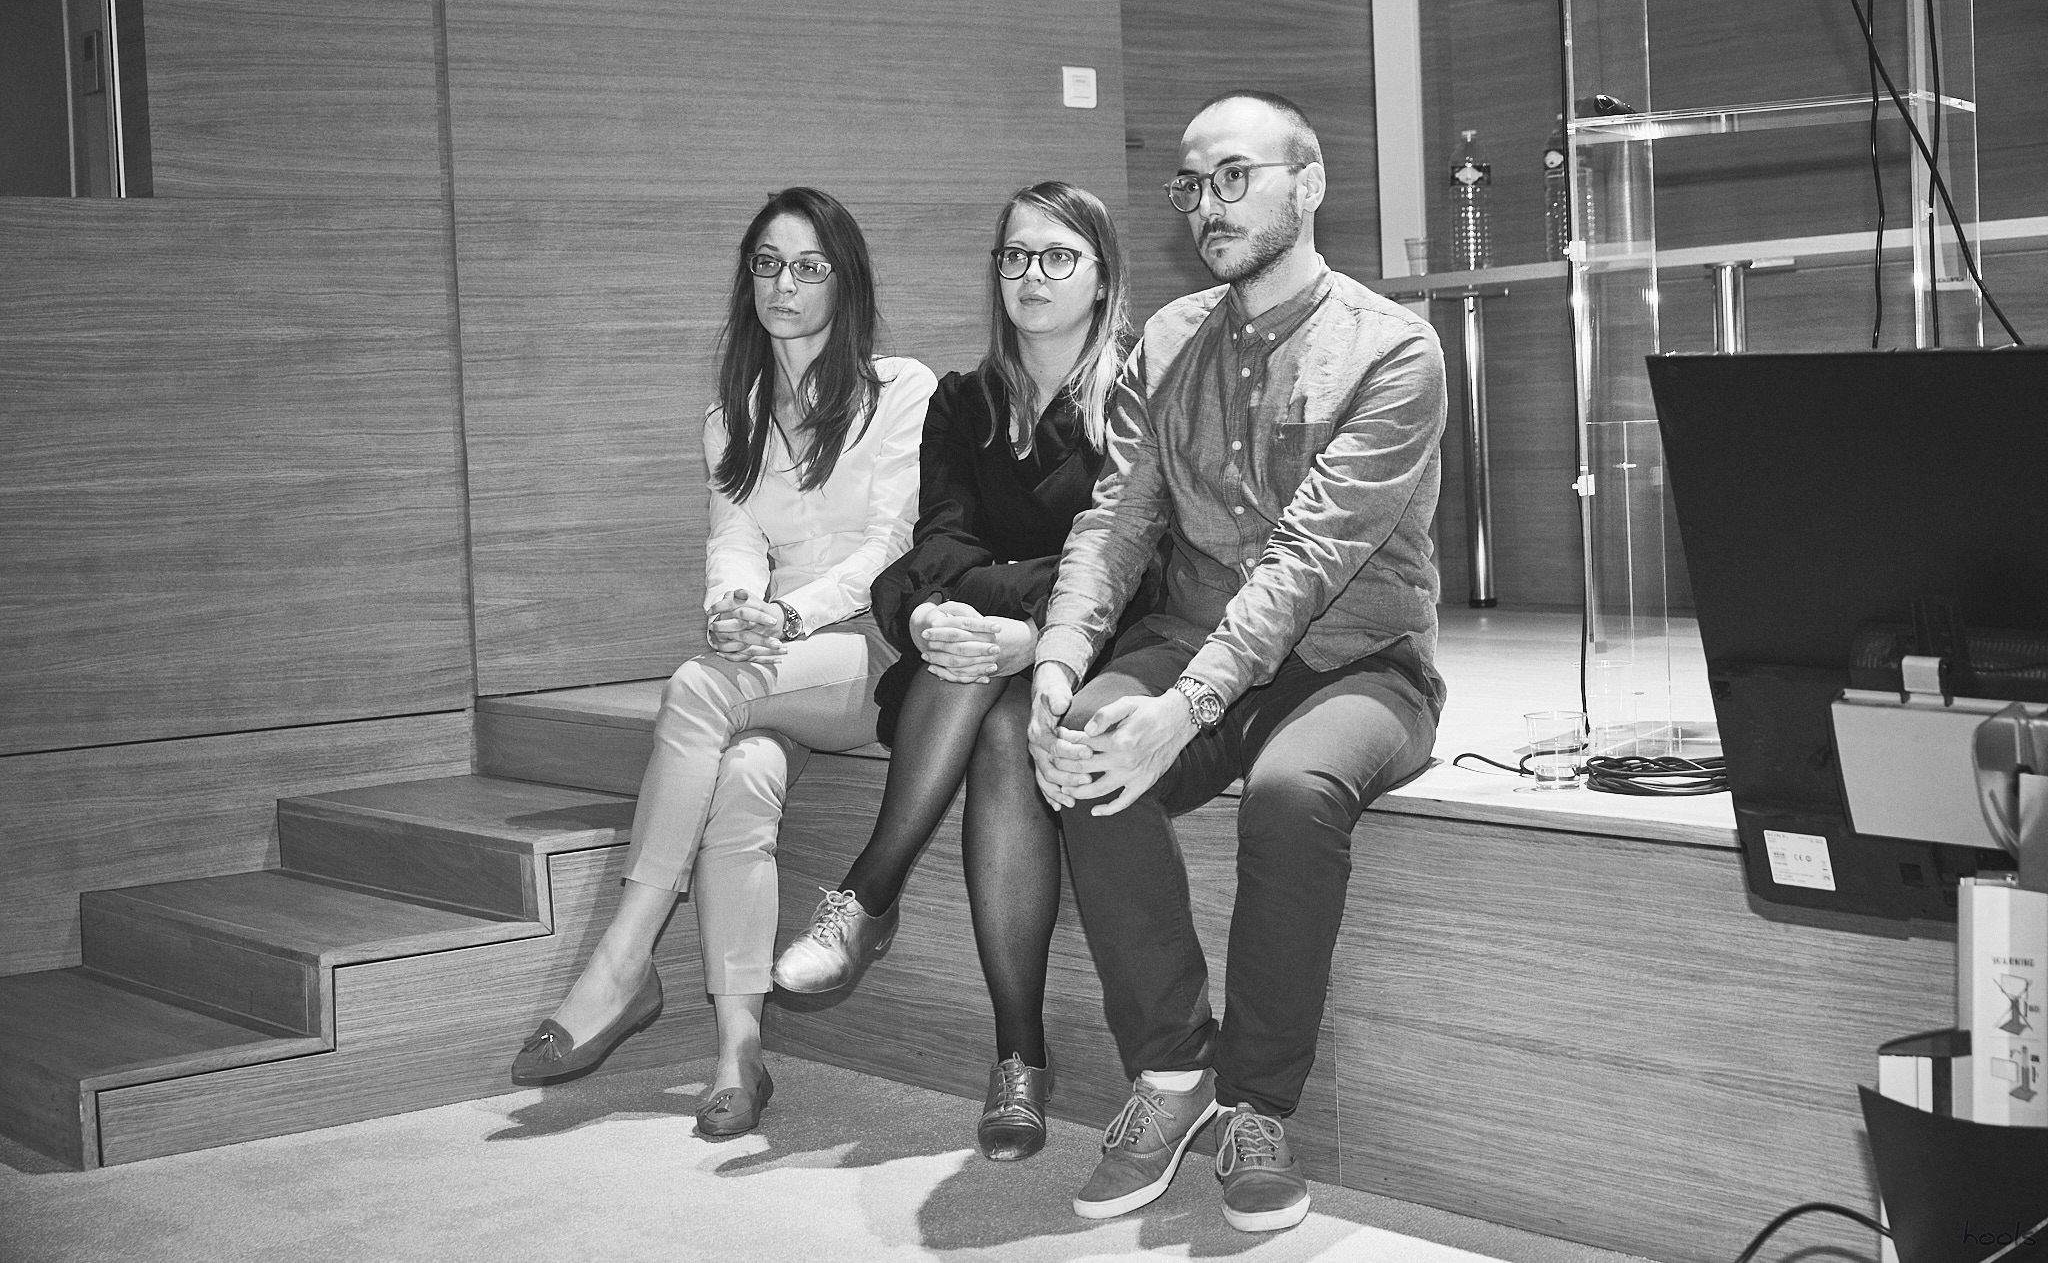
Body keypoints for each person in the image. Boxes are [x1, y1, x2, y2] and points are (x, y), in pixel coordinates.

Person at [1027, 92, 1448, 1233]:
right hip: (1191, 636)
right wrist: (1059, 660)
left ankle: (1257, 1104)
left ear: (1306, 185)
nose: (1206, 205)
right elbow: (1117, 519)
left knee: (1290, 794)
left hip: (1358, 659)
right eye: (1190, 184)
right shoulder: (1166, 340)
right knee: (1085, 745)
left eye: (1233, 177)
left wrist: (1189, 704)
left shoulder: (1393, 348)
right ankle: (1173, 1070)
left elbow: (1308, 560)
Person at [509, 187, 936, 1140]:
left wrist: (786, 614)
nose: (784, 284)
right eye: (767, 264)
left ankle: (625, 957)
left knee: (698, 687)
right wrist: (733, 608)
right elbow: (735, 540)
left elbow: (893, 545)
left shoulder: (902, 389)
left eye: (809, 267)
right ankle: (740, 1050)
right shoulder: (731, 417)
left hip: (873, 651)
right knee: (741, 775)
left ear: (845, 282)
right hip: (785, 659)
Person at [770, 181, 1146, 1162]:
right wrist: (952, 613)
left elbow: (1134, 561)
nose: (1031, 275)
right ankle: (1015, 1057)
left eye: (1057, 256)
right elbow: (937, 543)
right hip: (977, 661)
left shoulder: (1137, 396)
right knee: (982, 694)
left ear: (1102, 276)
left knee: (999, 703)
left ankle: (871, 897)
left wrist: (1027, 627)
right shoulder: (962, 401)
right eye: (1014, 256)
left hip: (1108, 645)